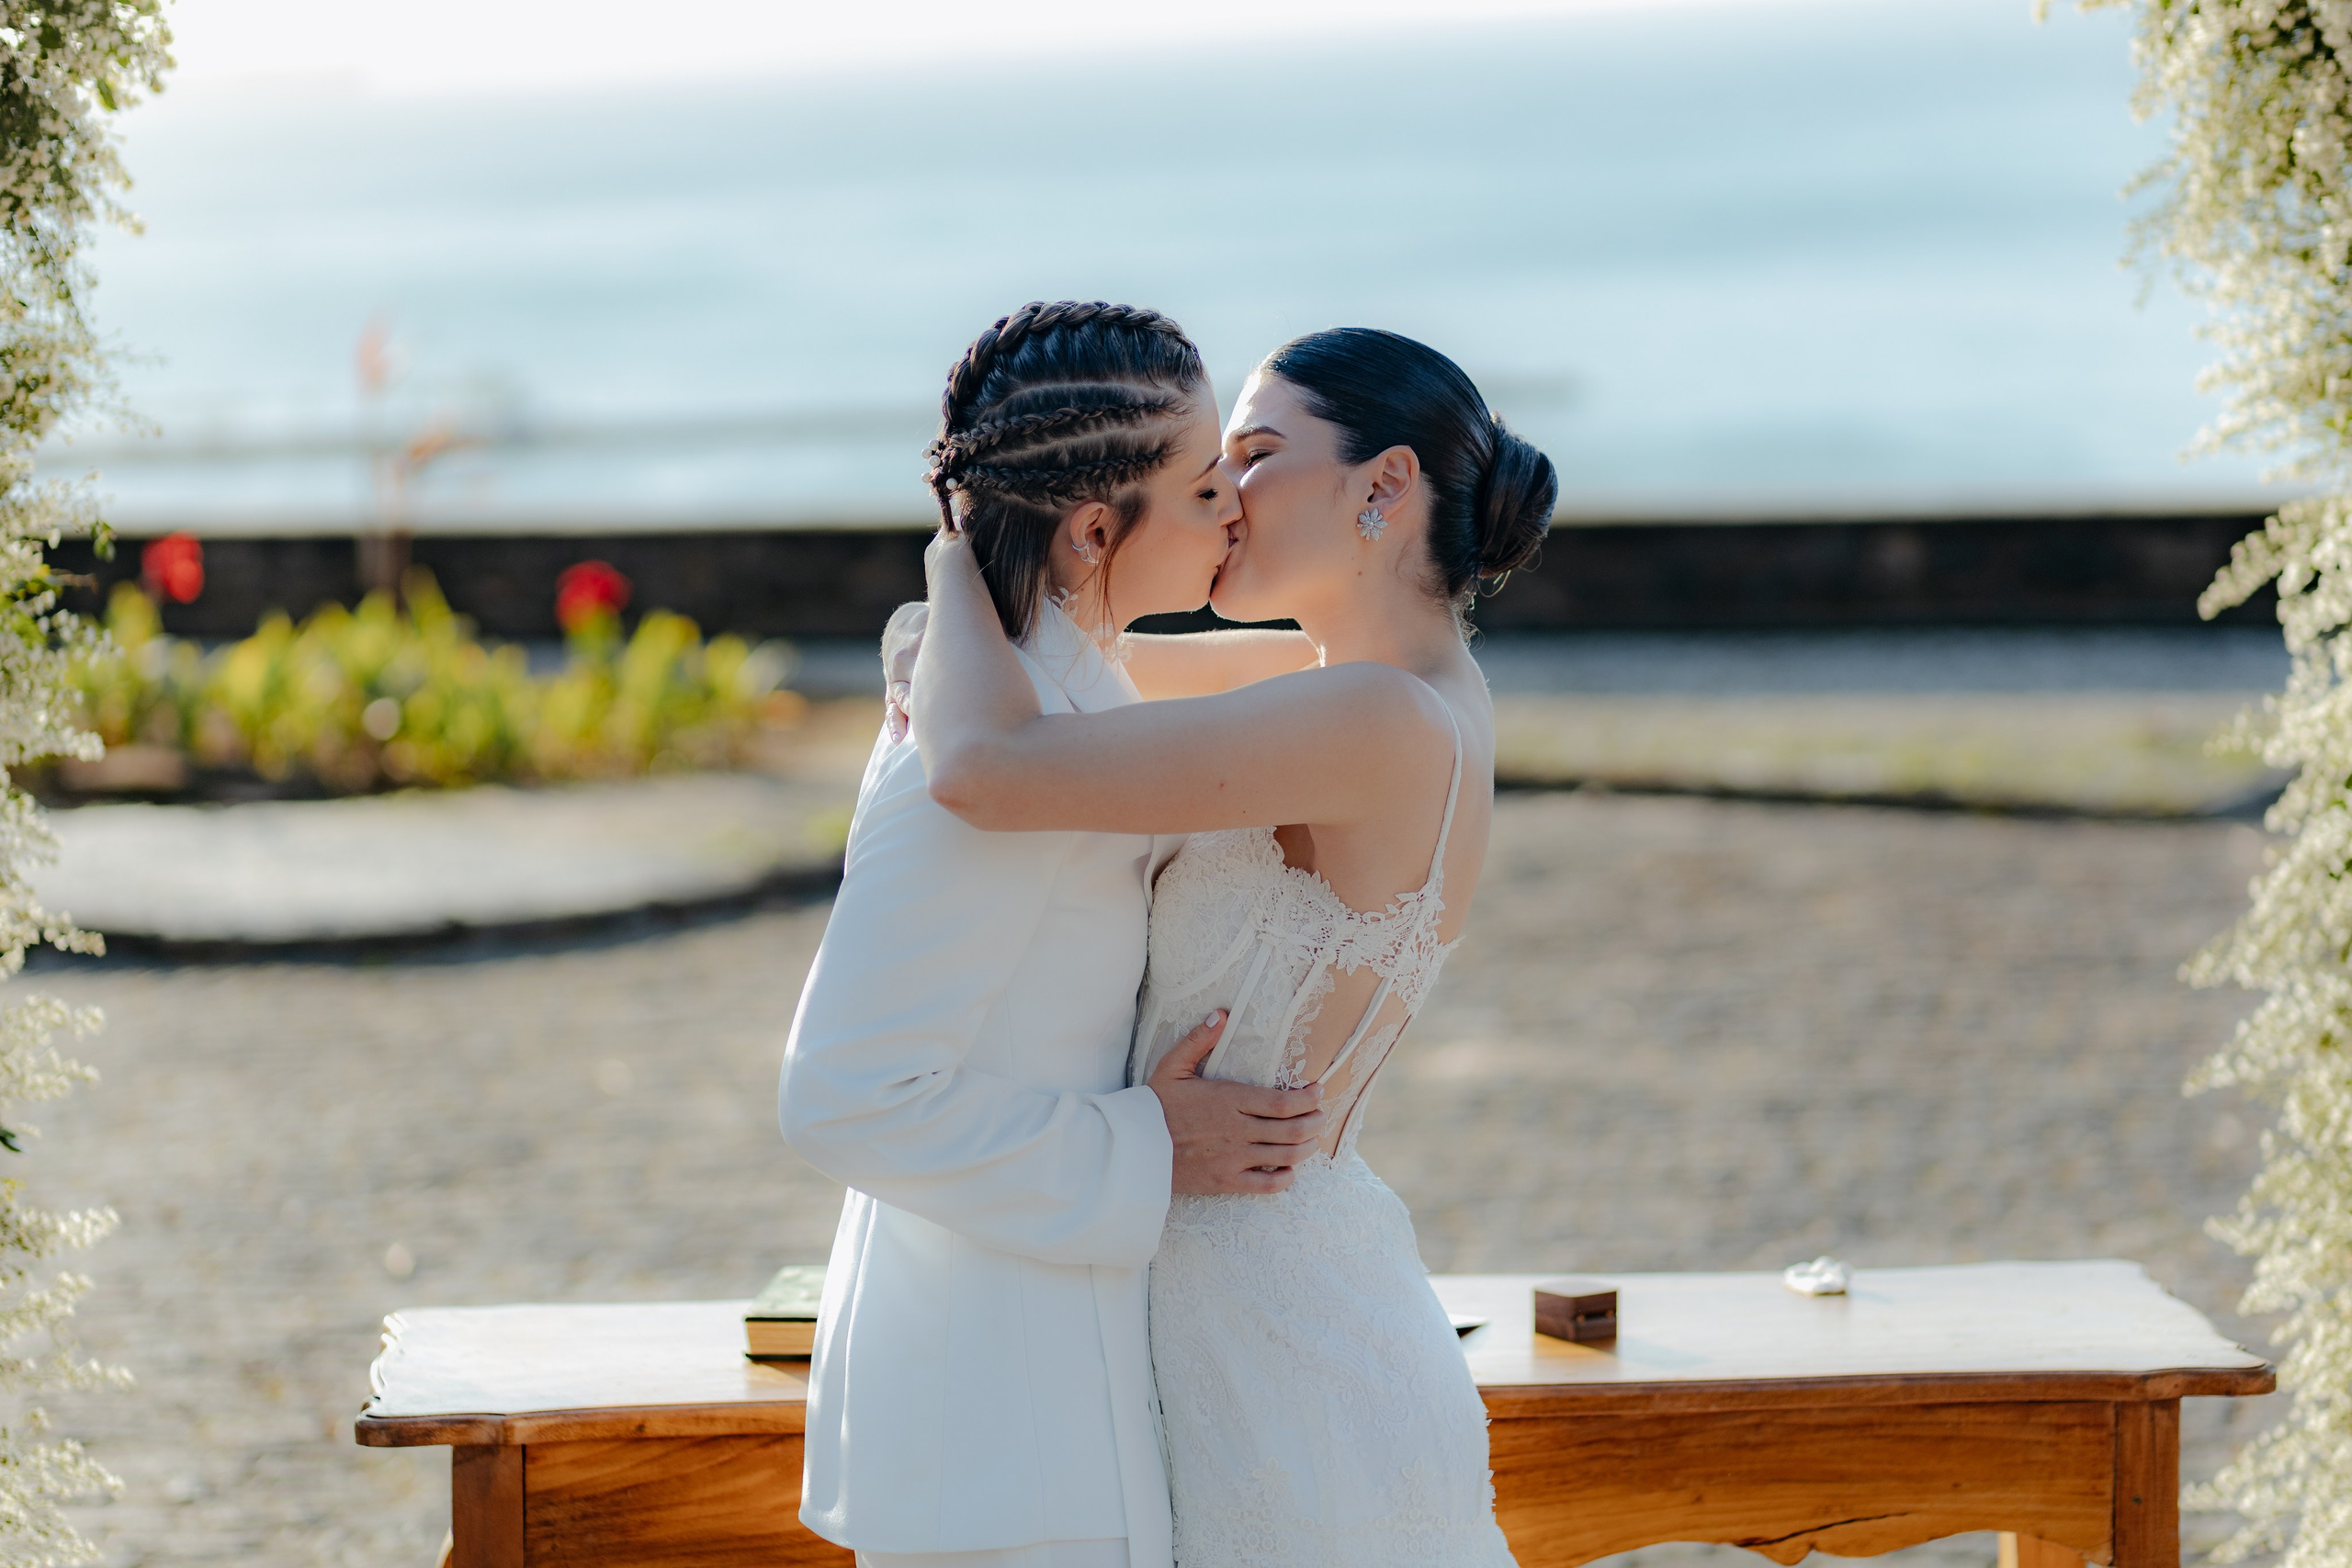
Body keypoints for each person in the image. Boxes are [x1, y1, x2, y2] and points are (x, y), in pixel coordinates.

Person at [910, 325, 1556, 1567]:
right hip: (1271, 1299)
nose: (1218, 492)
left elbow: (986, 761)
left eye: (1252, 455)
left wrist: (956, 543)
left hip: (1277, 1358)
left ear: (1384, 486)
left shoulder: (1372, 718)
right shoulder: (1383, 686)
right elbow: (1061, 664)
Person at [776, 301, 1331, 1568]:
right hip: (997, 1426)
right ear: (1094, 530)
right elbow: (840, 1096)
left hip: (1041, 1394)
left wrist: (941, 582)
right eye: (1202, 490)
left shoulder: (1048, 694)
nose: (1233, 512)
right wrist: (1147, 1144)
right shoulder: (975, 759)